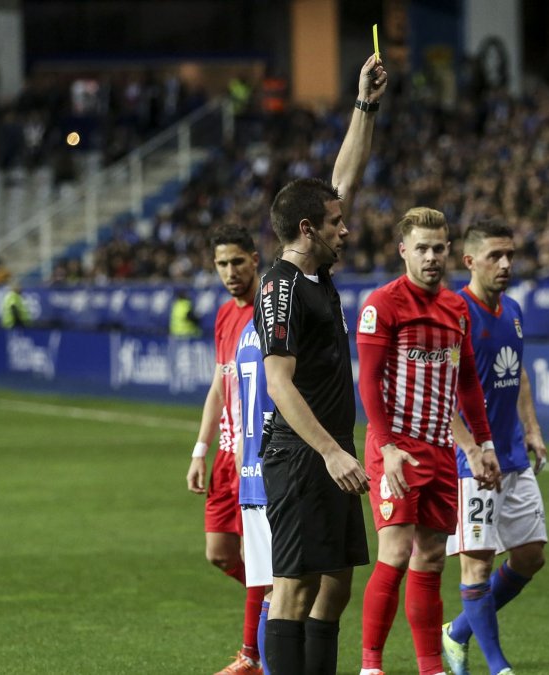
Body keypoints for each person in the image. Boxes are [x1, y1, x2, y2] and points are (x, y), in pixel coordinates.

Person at [254, 53, 387, 675]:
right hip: (302, 453)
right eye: (335, 223)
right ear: (307, 229)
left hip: (333, 451)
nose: (347, 227)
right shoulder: (279, 286)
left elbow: (345, 179)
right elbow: (277, 382)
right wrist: (333, 451)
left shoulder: (316, 266)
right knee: (297, 586)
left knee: (335, 584)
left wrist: (364, 105)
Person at [356, 207, 501, 675]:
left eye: (439, 248)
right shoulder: (383, 304)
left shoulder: (456, 308)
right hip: (395, 446)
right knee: (396, 553)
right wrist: (386, 447)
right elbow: (369, 383)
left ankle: (430, 667)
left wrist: (481, 444)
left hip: (440, 450)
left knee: (433, 559)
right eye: (422, 248)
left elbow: (469, 383)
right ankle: (371, 665)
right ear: (404, 251)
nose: (432, 256)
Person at [442, 221, 549, 675]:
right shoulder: (454, 313)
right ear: (469, 262)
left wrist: (532, 428)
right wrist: (468, 448)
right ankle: (498, 667)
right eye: (494, 257)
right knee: (478, 566)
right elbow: (439, 392)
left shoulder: (515, 311)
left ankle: (458, 631)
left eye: (510, 255)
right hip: (472, 463)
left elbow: (518, 373)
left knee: (530, 556)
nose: (506, 264)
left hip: (511, 454)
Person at [184, 225, 265, 675]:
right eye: (222, 264)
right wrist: (201, 447)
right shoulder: (223, 316)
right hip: (226, 456)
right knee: (220, 553)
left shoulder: (269, 313)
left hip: (255, 457)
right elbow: (220, 383)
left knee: (255, 557)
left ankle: (251, 654)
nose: (230, 272)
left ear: (255, 259)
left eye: (238, 261)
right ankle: (275, 599)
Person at [234, 319, 275, 675]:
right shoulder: (281, 329)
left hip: (251, 476)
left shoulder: (246, 333)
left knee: (274, 593)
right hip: (279, 475)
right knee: (289, 594)